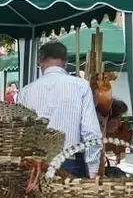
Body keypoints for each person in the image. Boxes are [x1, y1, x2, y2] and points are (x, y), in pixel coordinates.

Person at [18, 41, 102, 177]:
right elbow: (91, 132)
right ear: (65, 61)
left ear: (40, 61)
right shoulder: (81, 86)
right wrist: (93, 170)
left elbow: (21, 133)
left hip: (37, 164)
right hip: (70, 161)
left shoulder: (26, 91)